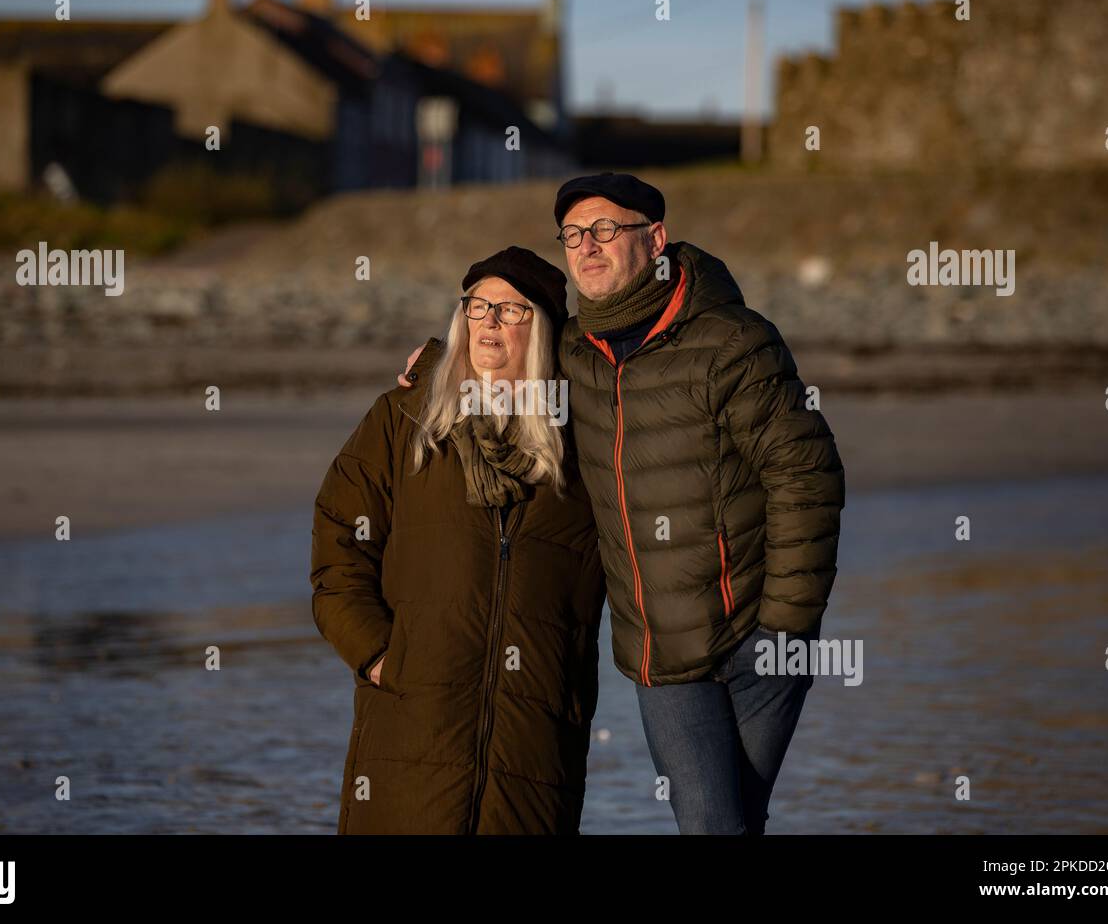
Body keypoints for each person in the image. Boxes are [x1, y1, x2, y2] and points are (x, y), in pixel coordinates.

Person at [399, 173, 845, 834]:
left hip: (760, 643)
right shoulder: (576, 354)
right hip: (662, 659)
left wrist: (783, 626)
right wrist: (440, 358)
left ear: (655, 239)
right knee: (716, 824)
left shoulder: (732, 342)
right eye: (575, 234)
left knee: (727, 823)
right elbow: (509, 365)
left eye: (607, 229)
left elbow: (807, 475)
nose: (588, 246)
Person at [311, 246, 607, 834]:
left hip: (534, 742)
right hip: (411, 725)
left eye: (512, 310)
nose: (490, 322)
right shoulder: (406, 421)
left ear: (545, 332)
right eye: (478, 306)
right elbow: (337, 540)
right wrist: (377, 655)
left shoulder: (585, 446)